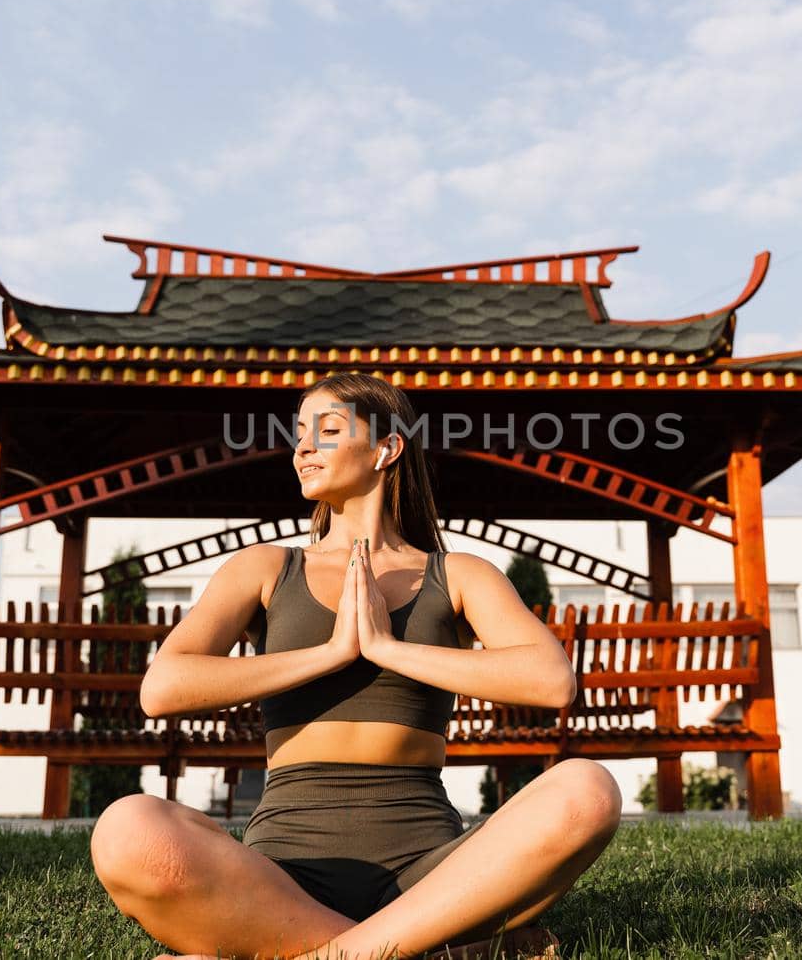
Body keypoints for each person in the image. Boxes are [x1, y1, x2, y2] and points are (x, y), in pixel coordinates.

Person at [90, 371, 622, 959]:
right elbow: (162, 687)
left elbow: (550, 680)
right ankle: (431, 950)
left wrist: (387, 649)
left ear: (387, 448)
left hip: (433, 874)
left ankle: (333, 953)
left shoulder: (459, 574)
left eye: (328, 430)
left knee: (586, 789)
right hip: (286, 874)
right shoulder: (266, 569)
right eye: (299, 434)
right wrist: (330, 653)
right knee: (127, 828)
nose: (303, 448)